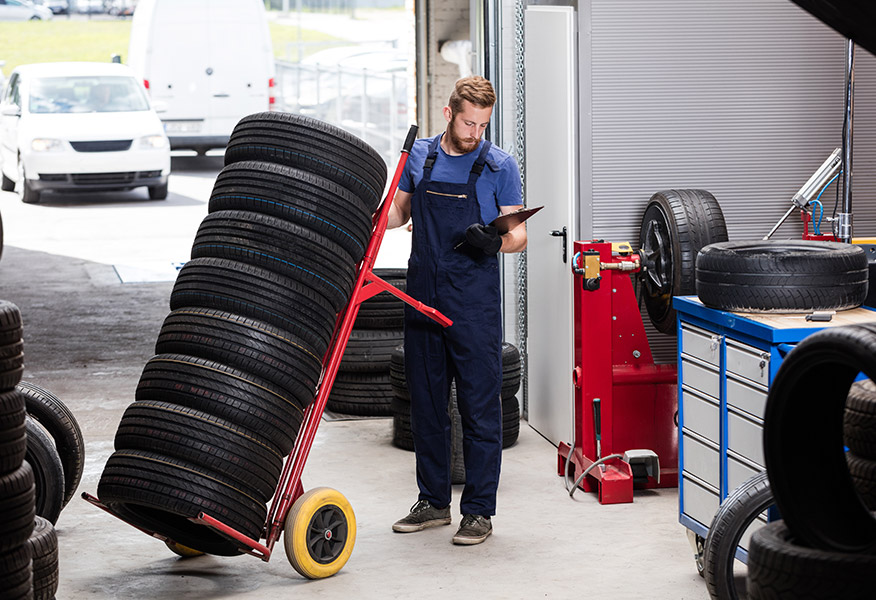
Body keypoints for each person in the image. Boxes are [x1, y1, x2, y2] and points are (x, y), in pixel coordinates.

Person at [386, 76, 527, 545]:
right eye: (469, 123)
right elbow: (398, 215)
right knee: (426, 405)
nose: (475, 133)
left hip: (473, 303)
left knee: (480, 407)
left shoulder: (498, 165)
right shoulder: (420, 157)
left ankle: (479, 512)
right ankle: (432, 503)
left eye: (483, 124)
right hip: (423, 294)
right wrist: (355, 207)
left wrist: (499, 241)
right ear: (449, 114)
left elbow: (518, 234)